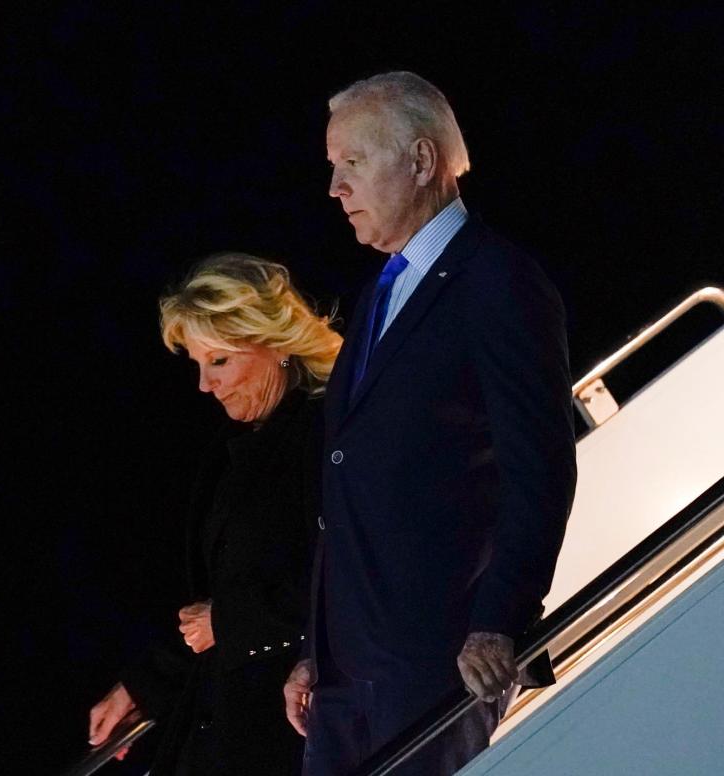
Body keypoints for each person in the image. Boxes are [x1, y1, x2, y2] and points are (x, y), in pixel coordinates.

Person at [284, 72, 578, 774]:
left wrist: (500, 620)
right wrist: (315, 648)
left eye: (351, 163)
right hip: (345, 675)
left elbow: (539, 467)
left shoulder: (498, 281)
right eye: (332, 167)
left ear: (420, 160)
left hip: (432, 661)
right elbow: (348, 481)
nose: (335, 188)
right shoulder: (379, 293)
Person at [87, 253, 342, 775]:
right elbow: (220, 601)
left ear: (274, 344)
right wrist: (145, 684)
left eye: (220, 361)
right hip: (223, 729)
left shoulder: (328, 434)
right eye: (198, 364)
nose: (205, 385)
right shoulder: (236, 450)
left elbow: (354, 572)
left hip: (291, 734)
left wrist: (232, 620)